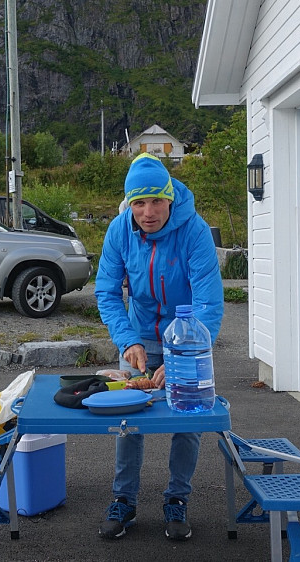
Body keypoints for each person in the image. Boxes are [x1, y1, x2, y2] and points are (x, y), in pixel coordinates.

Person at [94, 152, 224, 541]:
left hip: (187, 338)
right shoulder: (120, 230)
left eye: (155, 201)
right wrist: (127, 338)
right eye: (138, 202)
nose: (147, 212)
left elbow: (209, 303)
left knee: (187, 418)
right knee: (127, 420)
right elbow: (106, 291)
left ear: (170, 198)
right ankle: (124, 500)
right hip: (139, 338)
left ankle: (177, 500)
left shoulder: (195, 231)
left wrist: (183, 358)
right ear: (129, 203)